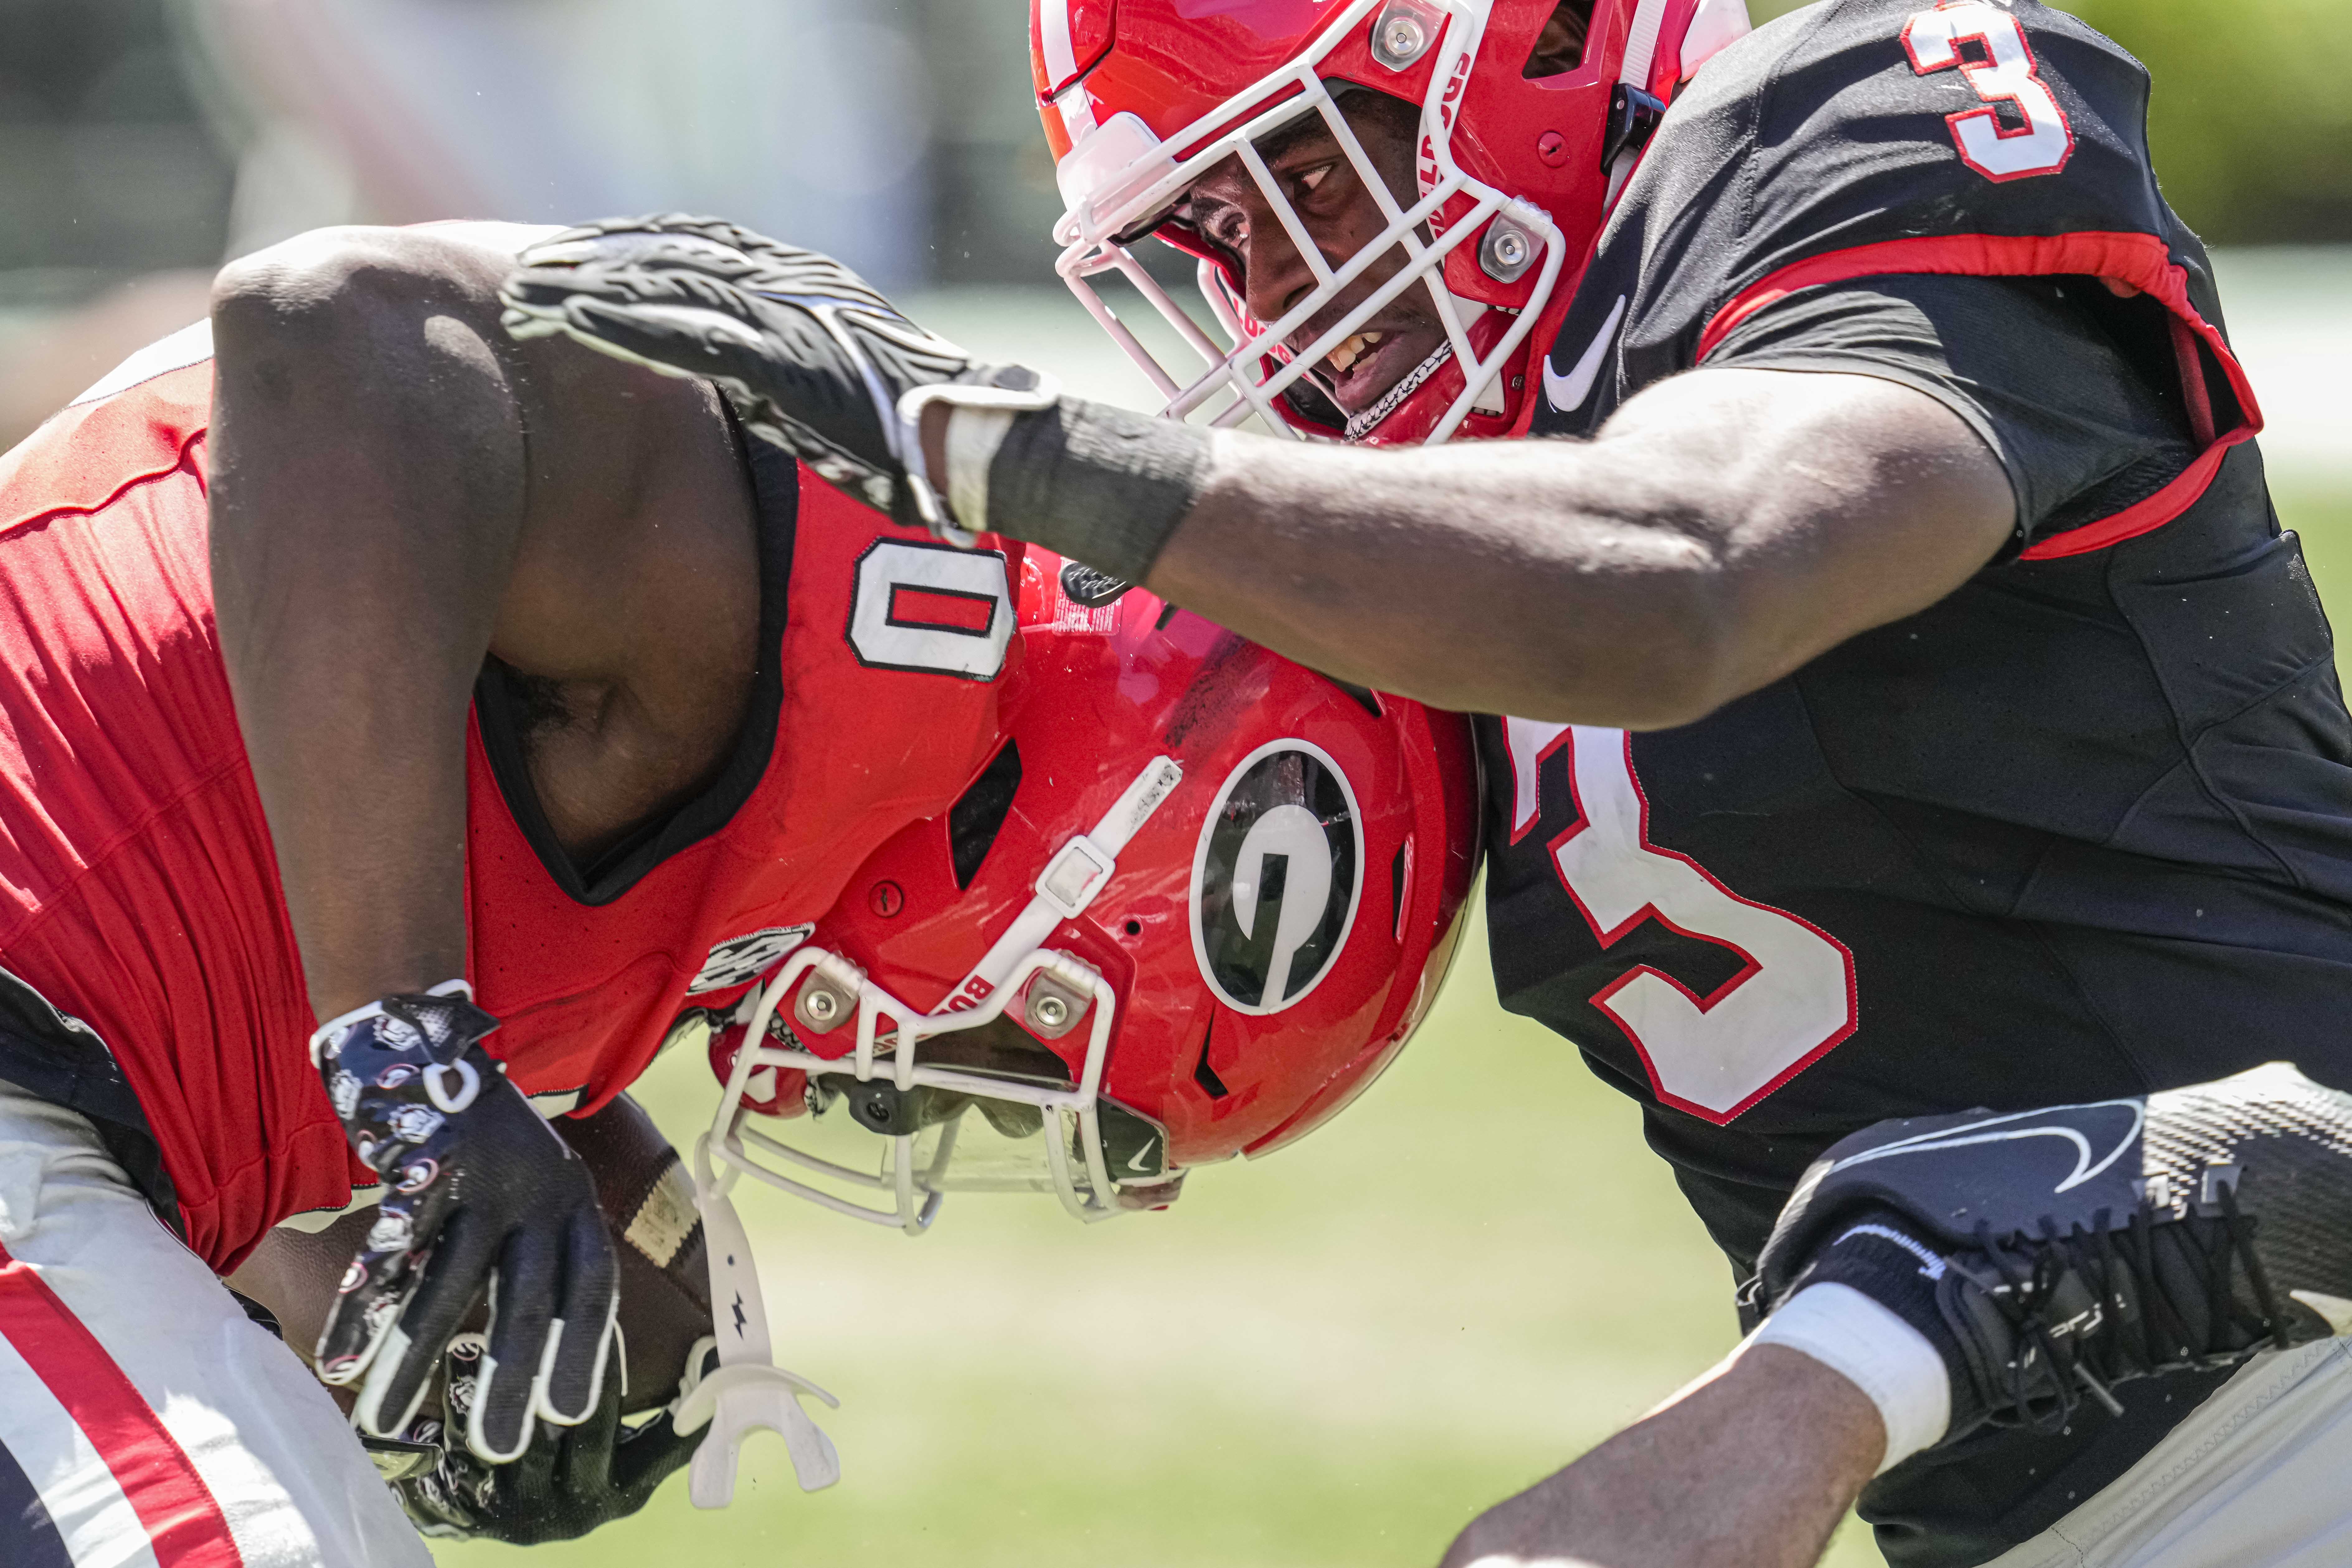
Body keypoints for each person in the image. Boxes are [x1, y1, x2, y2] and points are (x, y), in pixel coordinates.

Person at [496, 0, 2352, 1561]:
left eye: (1306, 174)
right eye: (1217, 237)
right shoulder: (1452, 515)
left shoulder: (1848, 121)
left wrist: (1011, 449)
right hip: (2033, 1478)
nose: (1283, 290)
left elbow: (1694, 558)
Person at [0, 211, 1477, 1560]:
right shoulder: (857, 577)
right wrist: (421, 1060)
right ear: (1089, 852)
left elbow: (211, 1026)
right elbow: (331, 322)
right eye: (1035, 1062)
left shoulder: (736, 842)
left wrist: (457, 1263)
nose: (937, 1103)